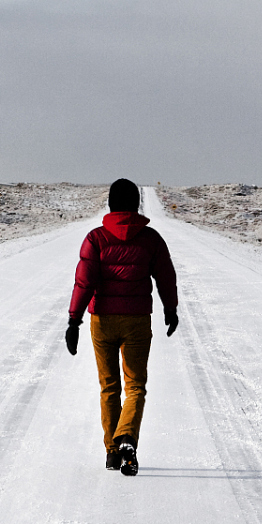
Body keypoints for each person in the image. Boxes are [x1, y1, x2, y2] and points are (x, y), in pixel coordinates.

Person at [65, 179, 178, 475]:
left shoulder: (96, 238)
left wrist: (74, 320)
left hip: (102, 320)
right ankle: (127, 436)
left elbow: (84, 282)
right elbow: (165, 276)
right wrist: (170, 308)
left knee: (109, 387)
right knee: (135, 385)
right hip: (138, 319)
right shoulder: (151, 239)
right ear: (136, 205)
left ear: (111, 205)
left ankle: (113, 453)